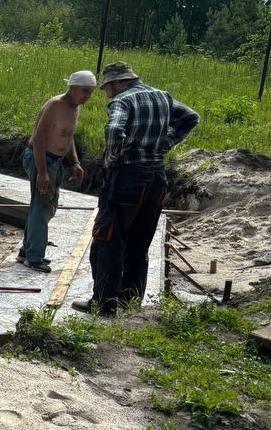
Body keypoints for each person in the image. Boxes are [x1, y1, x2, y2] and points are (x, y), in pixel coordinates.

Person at [73, 61, 199, 315]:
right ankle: (130, 304)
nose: (107, 93)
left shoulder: (123, 101)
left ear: (118, 82)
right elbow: (190, 117)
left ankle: (104, 305)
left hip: (128, 178)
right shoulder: (162, 97)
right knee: (139, 244)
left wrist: (113, 157)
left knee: (108, 241)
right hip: (156, 180)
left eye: (107, 87)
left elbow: (114, 129)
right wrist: (168, 142)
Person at [18, 71, 94, 272]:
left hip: (56, 162)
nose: (87, 96)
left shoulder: (75, 108)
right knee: (42, 208)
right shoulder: (55, 106)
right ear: (73, 87)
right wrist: (42, 172)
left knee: (44, 207)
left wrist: (74, 162)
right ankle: (34, 258)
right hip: (41, 160)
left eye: (91, 92)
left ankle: (27, 251)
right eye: (85, 91)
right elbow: (38, 140)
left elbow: (68, 138)